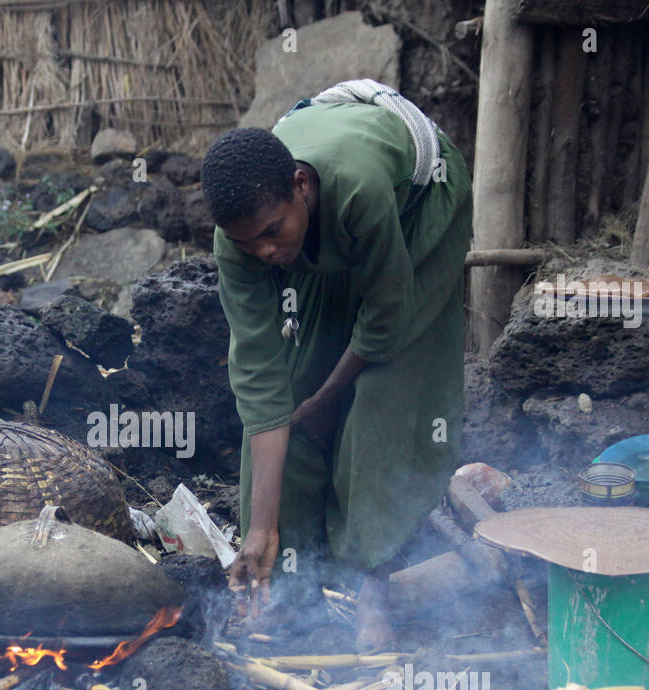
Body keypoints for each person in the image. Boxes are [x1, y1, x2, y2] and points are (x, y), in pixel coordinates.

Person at [202, 82, 472, 631]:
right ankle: (288, 583)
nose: (267, 254)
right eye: (250, 244)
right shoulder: (242, 238)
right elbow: (260, 379)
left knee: (381, 395)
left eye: (272, 234)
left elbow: (387, 316)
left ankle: (375, 581)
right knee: (292, 396)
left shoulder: (358, 190)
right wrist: (261, 528)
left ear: (299, 186)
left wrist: (330, 400)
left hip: (421, 200)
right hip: (333, 211)